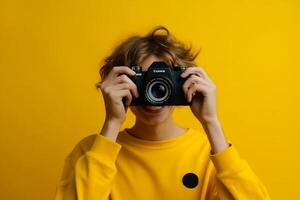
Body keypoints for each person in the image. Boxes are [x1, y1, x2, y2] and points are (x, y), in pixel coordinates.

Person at [54, 26, 270, 200]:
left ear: (185, 83)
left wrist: (211, 122)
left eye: (165, 81)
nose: (154, 93)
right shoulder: (93, 152)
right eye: (142, 80)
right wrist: (111, 122)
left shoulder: (212, 153)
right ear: (118, 84)